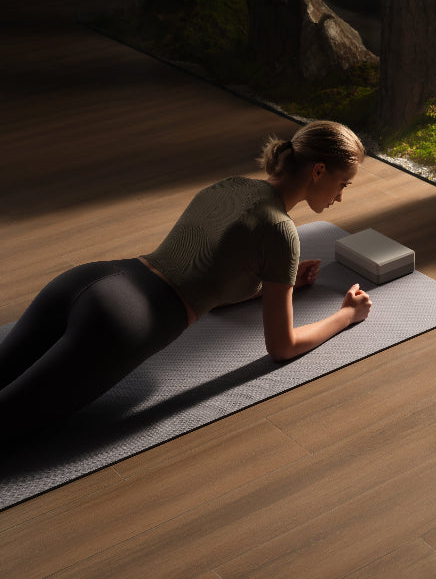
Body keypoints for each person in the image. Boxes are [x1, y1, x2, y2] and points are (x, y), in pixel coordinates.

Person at [0, 120, 372, 437]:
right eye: (344, 184)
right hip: (122, 323)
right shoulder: (280, 231)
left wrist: (279, 283)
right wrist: (346, 315)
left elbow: (210, 278)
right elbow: (282, 347)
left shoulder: (229, 185)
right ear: (318, 171)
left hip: (90, 278)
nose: (340, 197)